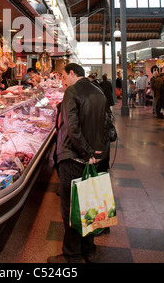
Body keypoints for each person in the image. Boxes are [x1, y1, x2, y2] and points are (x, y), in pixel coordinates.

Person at [47, 63, 107, 264]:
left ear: (72, 73)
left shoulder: (72, 91)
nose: (62, 80)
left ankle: (71, 255)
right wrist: (97, 153)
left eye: (64, 76)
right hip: (94, 159)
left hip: (74, 158)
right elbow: (107, 125)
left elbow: (72, 128)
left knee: (71, 208)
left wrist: (85, 152)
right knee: (89, 204)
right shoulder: (98, 91)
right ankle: (89, 250)